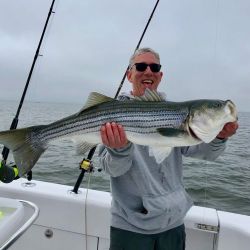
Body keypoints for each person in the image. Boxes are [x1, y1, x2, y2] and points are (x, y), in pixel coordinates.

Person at [98, 47, 238, 250]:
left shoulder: (175, 114)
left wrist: (220, 136)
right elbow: (112, 169)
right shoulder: (113, 114)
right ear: (129, 74)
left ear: (160, 75)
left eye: (154, 67)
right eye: (141, 66)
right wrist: (118, 150)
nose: (148, 71)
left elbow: (207, 153)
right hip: (130, 228)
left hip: (173, 224)